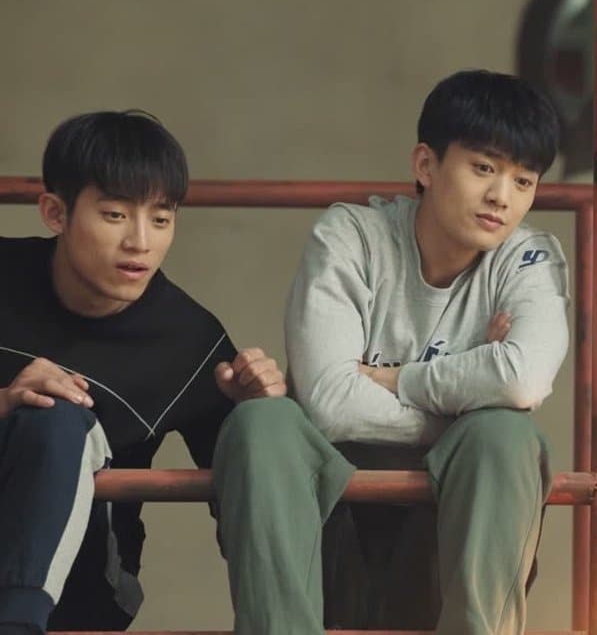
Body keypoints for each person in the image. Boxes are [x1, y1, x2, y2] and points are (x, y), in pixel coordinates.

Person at [211, 69, 569, 635]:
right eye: (483, 168)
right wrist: (468, 395)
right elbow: (330, 404)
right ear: (425, 164)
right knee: (263, 423)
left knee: (503, 435)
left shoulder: (528, 261)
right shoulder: (352, 236)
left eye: (523, 181)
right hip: (328, 526)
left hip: (446, 538)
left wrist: (395, 378)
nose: (502, 197)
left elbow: (521, 380)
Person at [0, 110, 285, 635]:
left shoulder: (191, 342)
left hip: (84, 588)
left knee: (58, 417)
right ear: (55, 213)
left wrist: (261, 419)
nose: (140, 242)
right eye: (114, 215)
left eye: (160, 218)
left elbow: (250, 519)